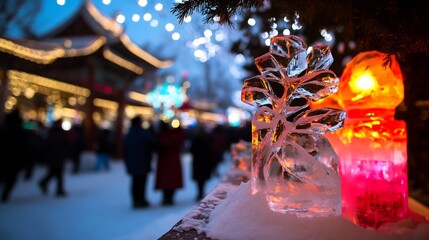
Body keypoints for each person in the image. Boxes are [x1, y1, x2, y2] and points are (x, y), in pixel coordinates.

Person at [124, 116, 156, 208]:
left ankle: (136, 200)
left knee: (135, 181)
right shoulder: (142, 133)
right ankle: (141, 199)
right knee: (142, 181)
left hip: (132, 161)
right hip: (143, 161)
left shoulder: (129, 134)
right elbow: (151, 142)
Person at [155, 120, 185, 206]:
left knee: (166, 181)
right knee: (171, 181)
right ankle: (169, 198)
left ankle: (166, 198)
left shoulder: (161, 136)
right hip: (172, 161)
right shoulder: (173, 135)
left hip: (165, 162)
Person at [0, 108, 27, 202]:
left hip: (5, 156)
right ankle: (5, 195)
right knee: (11, 178)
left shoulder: (4, 127)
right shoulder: (19, 129)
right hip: (14, 157)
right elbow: (23, 146)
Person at [38, 119, 68, 197]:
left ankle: (45, 184)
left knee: (54, 173)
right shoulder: (57, 134)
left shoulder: (53, 133)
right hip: (56, 157)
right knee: (57, 173)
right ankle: (59, 190)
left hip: (55, 157)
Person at [190, 124, 213, 201]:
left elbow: (192, 150)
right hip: (204, 161)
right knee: (203, 178)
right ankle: (201, 192)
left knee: (199, 178)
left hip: (198, 161)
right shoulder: (206, 138)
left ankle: (199, 192)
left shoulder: (196, 139)